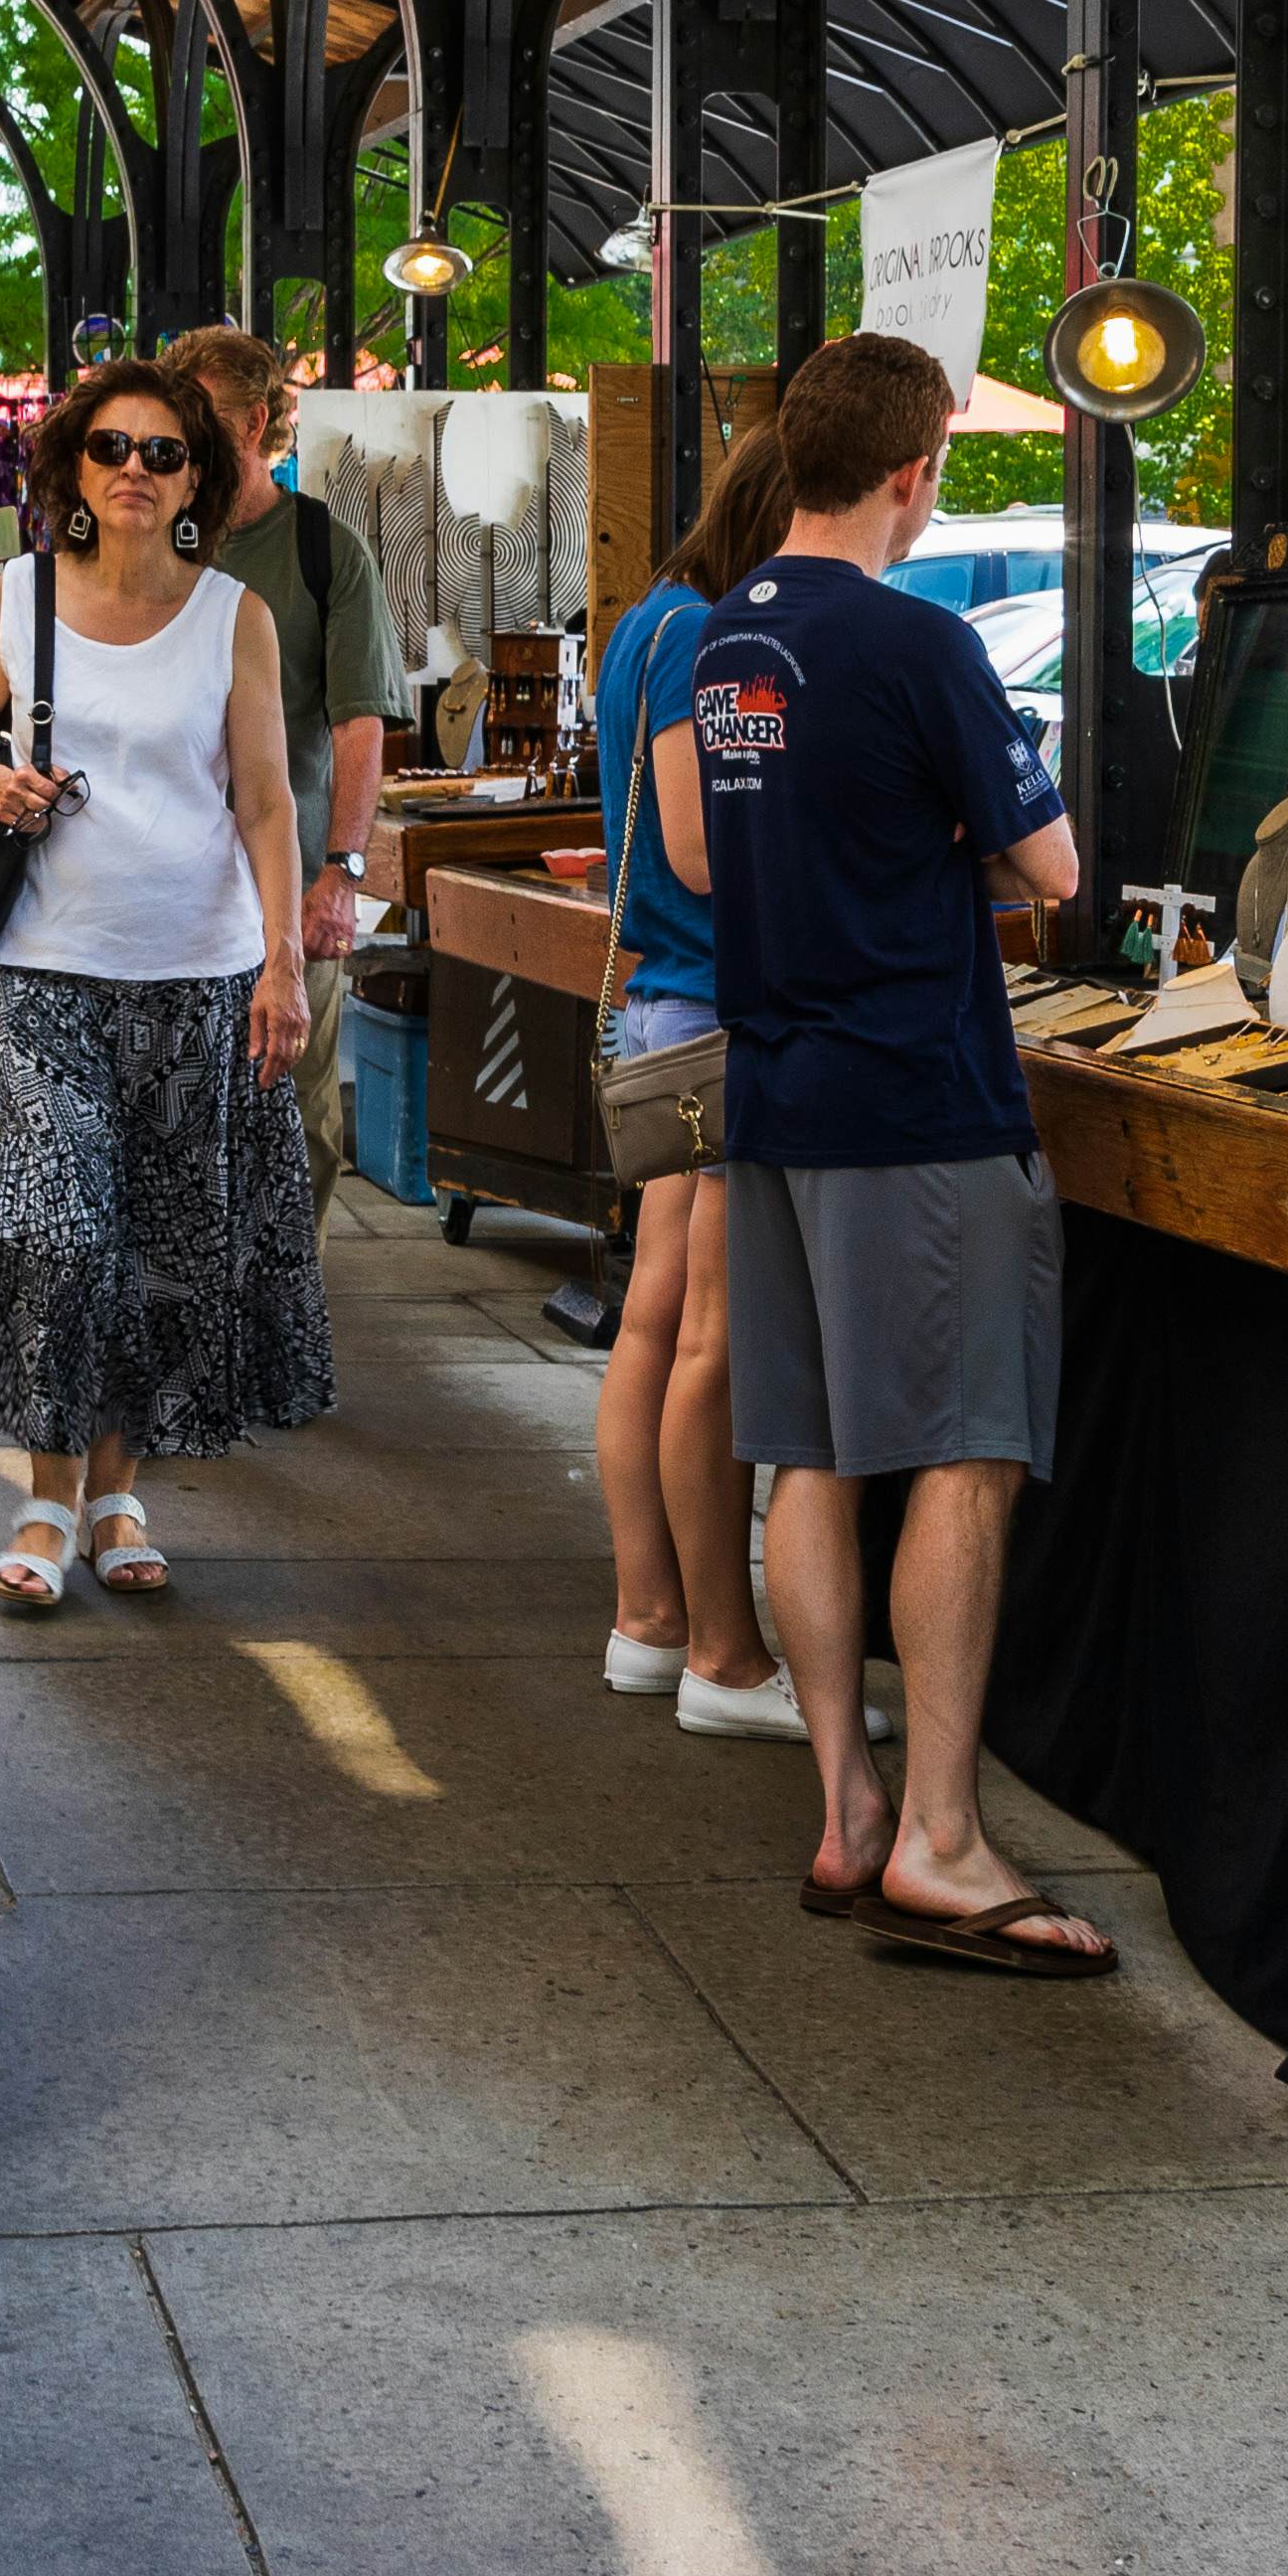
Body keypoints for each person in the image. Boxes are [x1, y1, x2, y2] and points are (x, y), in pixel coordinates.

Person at [687, 333, 1105, 1973]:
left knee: (805, 1454)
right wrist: (955, 836)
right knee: (960, 1449)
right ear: (915, 466)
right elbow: (1052, 866)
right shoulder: (917, 639)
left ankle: (846, 1806)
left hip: (776, 1091)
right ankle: (937, 1834)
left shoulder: (729, 636)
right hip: (915, 1100)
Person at [0, 359, 327, 1606]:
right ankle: (43, 1499)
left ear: (199, 473)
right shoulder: (23, 599)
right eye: (111, 448)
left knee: (157, 1245)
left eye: (162, 452)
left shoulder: (233, 617)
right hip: (44, 966)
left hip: (195, 976)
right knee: (56, 1230)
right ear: (71, 470)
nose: (135, 471)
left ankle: (116, 1490)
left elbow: (264, 799)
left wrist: (284, 956)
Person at [588, 424, 816, 1737]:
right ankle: (716, 1653)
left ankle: (649, 1618)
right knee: (704, 1342)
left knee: (655, 1326)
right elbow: (697, 842)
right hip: (710, 1011)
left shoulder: (649, 621)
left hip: (667, 1007)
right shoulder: (699, 636)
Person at [161, 325, 405, 1191]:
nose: (174, 439)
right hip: (162, 889)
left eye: (196, 417)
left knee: (296, 1124)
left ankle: (286, 1320)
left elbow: (358, 726)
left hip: (290, 890)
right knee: (173, 1123)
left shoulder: (323, 550)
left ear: (254, 421)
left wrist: (340, 873)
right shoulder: (150, 541)